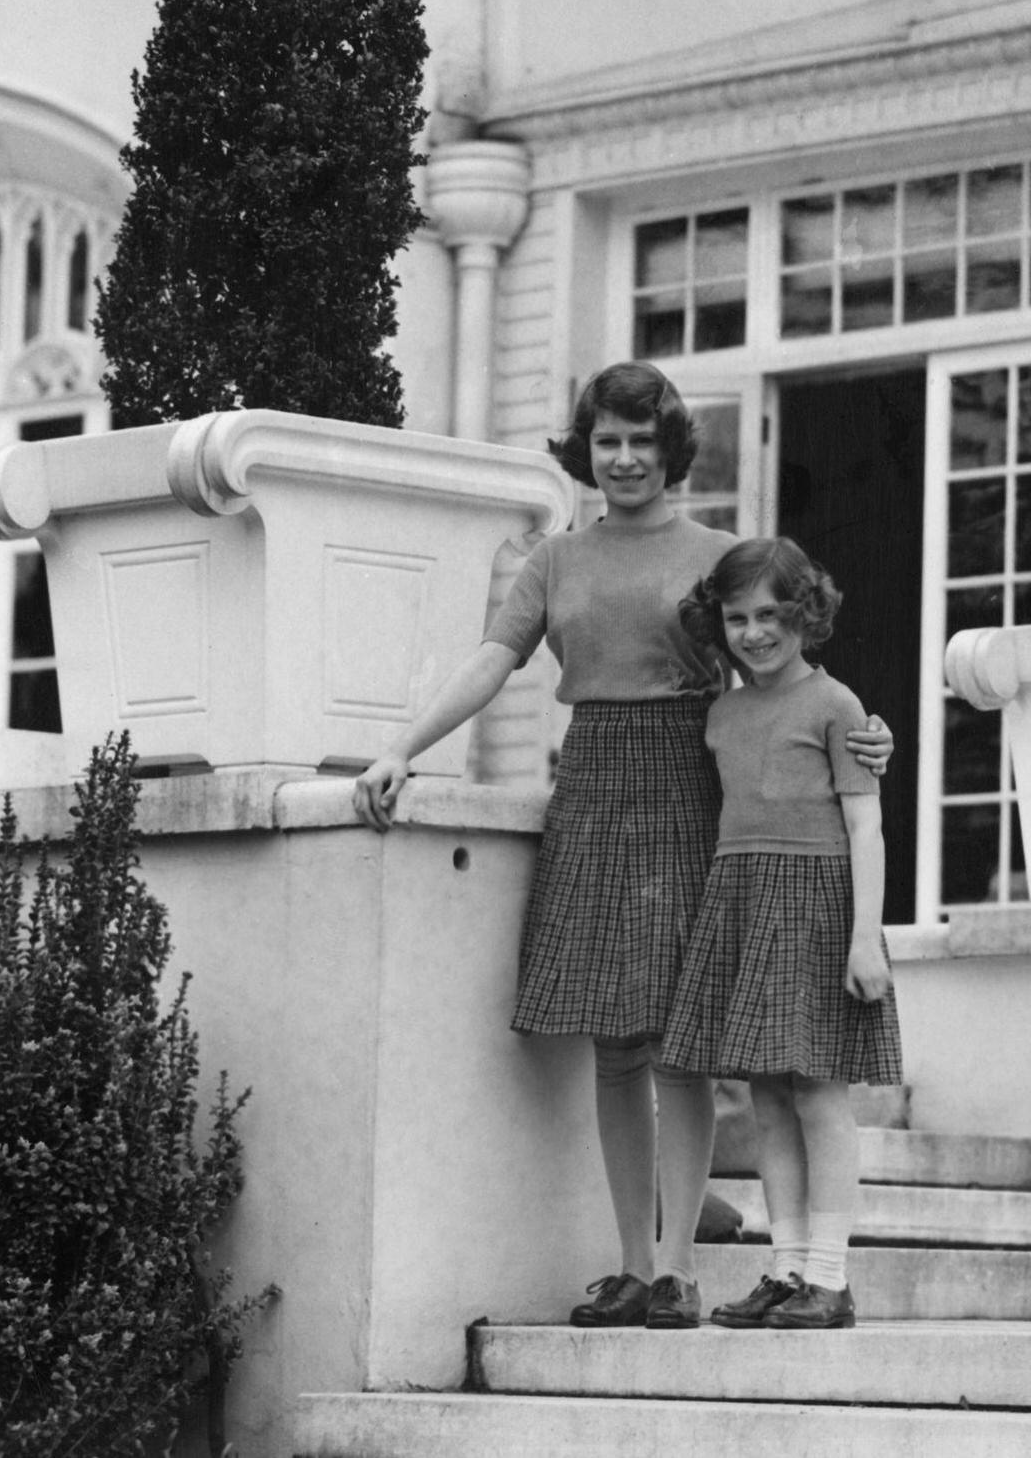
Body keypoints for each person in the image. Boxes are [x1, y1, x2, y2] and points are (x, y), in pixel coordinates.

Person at [351, 363, 892, 1331]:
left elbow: (785, 676)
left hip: (693, 781)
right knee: (614, 1039)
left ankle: (681, 1272)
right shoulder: (554, 562)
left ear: (669, 448)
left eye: (643, 440)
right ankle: (634, 1265)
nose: (626, 458)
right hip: (594, 785)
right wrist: (400, 746)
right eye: (608, 440)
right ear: (584, 450)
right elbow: (491, 660)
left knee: (678, 1042)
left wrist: (868, 740)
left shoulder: (721, 553)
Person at [661, 536, 903, 1330]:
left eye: (772, 613)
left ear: (807, 613)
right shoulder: (723, 712)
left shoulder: (838, 706)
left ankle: (830, 1279)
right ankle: (787, 1267)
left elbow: (866, 825)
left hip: (818, 906)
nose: (755, 631)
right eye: (737, 617)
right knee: (766, 1097)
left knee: (818, 1093)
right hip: (742, 899)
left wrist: (865, 937)